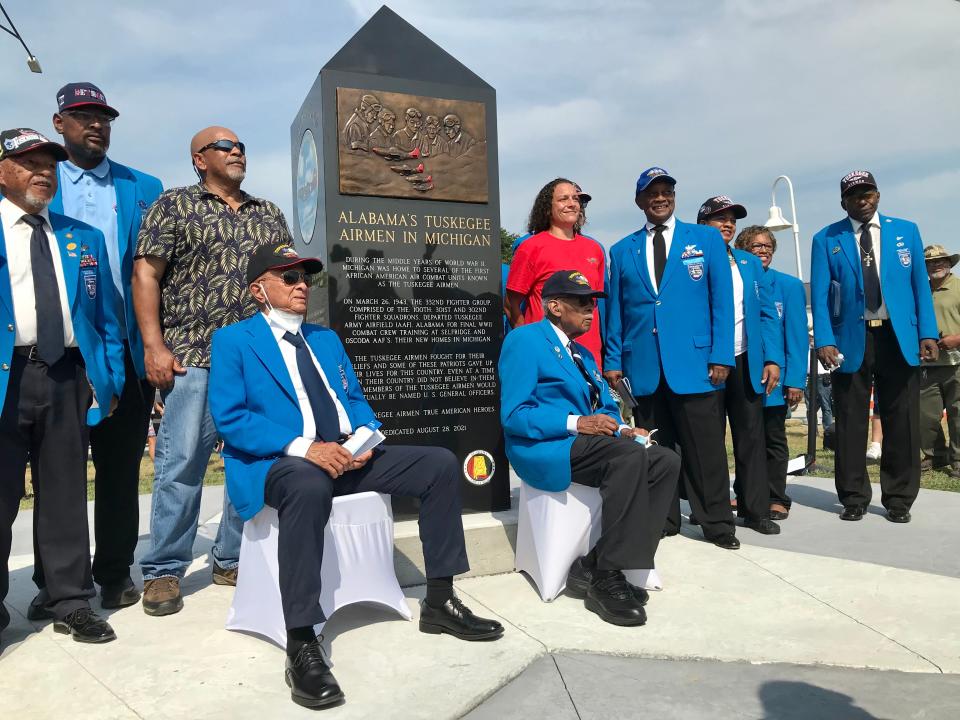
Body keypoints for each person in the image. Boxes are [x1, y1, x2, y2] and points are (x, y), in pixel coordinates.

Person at [209, 242, 502, 708]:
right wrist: (308, 449)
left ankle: (440, 600)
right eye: (289, 277)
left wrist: (362, 441)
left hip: (345, 458)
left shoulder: (325, 340)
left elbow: (357, 402)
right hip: (282, 462)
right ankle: (302, 640)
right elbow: (231, 418)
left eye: (306, 276)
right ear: (258, 289)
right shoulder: (234, 341)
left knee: (439, 464)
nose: (302, 283)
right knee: (307, 485)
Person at [133, 126, 294, 615]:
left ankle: (230, 557)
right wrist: (153, 344)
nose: (237, 150)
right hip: (194, 356)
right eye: (225, 146)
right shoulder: (174, 204)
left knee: (252, 459)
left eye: (241, 144)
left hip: (257, 360)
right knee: (182, 464)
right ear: (200, 159)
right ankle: (163, 570)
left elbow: (286, 282)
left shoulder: (268, 213)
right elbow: (146, 273)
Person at [0, 128, 123, 645]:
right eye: (28, 162)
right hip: (8, 378)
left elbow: (106, 319)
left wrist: (108, 378)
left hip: (67, 377)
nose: (43, 172)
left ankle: (69, 599)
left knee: (67, 494)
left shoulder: (81, 236)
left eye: (49, 163)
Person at [500, 270, 679, 626]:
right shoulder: (525, 340)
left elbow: (604, 407)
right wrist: (576, 422)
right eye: (581, 302)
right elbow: (515, 415)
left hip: (589, 444)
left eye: (592, 303)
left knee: (664, 460)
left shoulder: (583, 353)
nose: (590, 310)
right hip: (546, 446)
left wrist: (626, 429)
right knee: (628, 459)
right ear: (553, 306)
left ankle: (595, 561)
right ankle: (606, 579)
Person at [44, 82, 163, 611]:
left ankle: (114, 573)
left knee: (119, 472)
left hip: (125, 353)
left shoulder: (144, 186)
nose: (96, 124)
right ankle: (57, 583)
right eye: (82, 115)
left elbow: (161, 269)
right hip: (60, 352)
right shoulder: (39, 181)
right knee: (58, 474)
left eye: (103, 116)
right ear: (59, 123)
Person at [605, 168, 737, 549]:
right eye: (652, 193)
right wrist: (613, 361)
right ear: (639, 201)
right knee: (654, 449)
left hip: (695, 364)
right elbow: (617, 312)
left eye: (666, 192)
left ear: (674, 196)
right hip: (643, 366)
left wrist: (721, 354)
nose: (660, 198)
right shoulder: (622, 249)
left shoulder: (706, 239)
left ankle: (717, 523)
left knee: (705, 449)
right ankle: (663, 519)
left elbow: (721, 302)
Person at [810, 170, 938, 523]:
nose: (862, 200)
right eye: (854, 195)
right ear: (843, 202)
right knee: (850, 419)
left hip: (899, 336)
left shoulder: (906, 231)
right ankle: (853, 496)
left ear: (878, 195)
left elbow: (919, 288)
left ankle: (899, 499)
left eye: (867, 193)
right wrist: (823, 338)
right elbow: (819, 296)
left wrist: (927, 332)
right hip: (851, 338)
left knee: (902, 418)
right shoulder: (826, 238)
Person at [697, 199, 782, 535]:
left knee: (751, 437)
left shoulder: (748, 261)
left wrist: (772, 357)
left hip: (747, 359)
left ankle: (755, 508)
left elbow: (766, 314)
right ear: (702, 223)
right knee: (710, 441)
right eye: (720, 219)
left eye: (732, 220)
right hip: (707, 361)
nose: (728, 225)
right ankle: (714, 512)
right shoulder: (692, 260)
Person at [737, 225, 808, 520]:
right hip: (743, 378)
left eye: (768, 246)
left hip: (776, 382)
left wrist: (795, 380)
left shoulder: (789, 286)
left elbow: (796, 336)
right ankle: (747, 495)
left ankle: (777, 497)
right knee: (746, 440)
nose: (763, 251)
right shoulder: (737, 281)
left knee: (773, 439)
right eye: (756, 246)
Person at [505, 179, 606, 368]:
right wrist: (531, 343)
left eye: (575, 198)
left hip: (589, 359)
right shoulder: (530, 247)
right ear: (547, 208)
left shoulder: (595, 250)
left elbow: (595, 307)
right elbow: (511, 305)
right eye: (563, 199)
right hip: (547, 356)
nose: (572, 203)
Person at [920, 244, 960, 477]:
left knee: (958, 414)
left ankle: (957, 458)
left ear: (949, 263)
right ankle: (934, 455)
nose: (936, 265)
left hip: (957, 362)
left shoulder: (958, 287)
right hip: (927, 364)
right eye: (931, 262)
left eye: (940, 261)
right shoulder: (921, 291)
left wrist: (957, 339)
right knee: (925, 415)